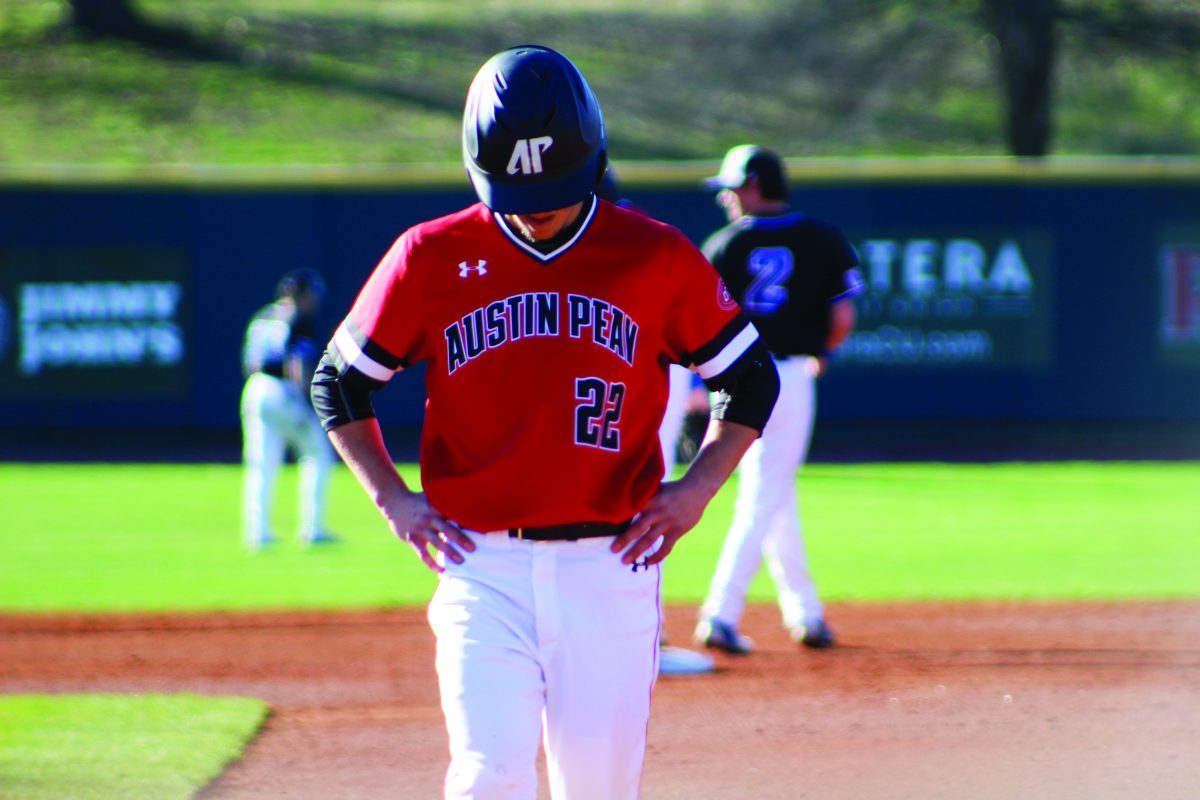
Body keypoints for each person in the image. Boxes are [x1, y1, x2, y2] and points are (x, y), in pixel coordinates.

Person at [311, 46, 779, 800]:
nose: (536, 207)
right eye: (514, 191)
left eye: (554, 188)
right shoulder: (431, 255)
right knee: (484, 779)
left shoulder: (652, 254)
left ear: (592, 158)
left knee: (597, 789)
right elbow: (340, 381)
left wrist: (696, 491)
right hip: (480, 567)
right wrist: (390, 497)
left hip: (611, 565)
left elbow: (748, 377)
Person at [692, 145, 864, 654]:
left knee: (773, 493)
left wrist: (702, 384)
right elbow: (843, 320)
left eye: (731, 186)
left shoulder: (724, 245)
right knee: (765, 494)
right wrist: (824, 354)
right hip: (789, 375)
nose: (724, 196)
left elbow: (697, 324)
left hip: (736, 377)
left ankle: (805, 612)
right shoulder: (824, 238)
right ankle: (720, 612)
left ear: (754, 185)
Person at [597, 169, 716, 679]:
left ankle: (628, 634)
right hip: (647, 382)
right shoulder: (644, 233)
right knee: (645, 491)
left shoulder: (538, 232)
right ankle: (644, 636)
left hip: (584, 385)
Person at [240, 268, 337, 550]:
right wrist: (306, 403)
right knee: (318, 454)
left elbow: (250, 361)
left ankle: (257, 533)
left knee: (261, 463)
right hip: (284, 390)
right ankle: (314, 529)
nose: (314, 300)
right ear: (301, 294)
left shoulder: (263, 317)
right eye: (311, 294)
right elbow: (297, 364)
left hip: (256, 388)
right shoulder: (298, 318)